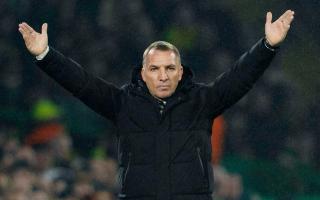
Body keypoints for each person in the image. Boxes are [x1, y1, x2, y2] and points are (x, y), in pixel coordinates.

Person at [18, 10, 295, 200]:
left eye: (169, 68)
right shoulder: (122, 103)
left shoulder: (203, 101)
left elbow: (240, 77)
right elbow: (81, 83)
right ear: (143, 73)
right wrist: (45, 54)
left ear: (180, 72)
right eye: (155, 68)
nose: (162, 75)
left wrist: (267, 46)